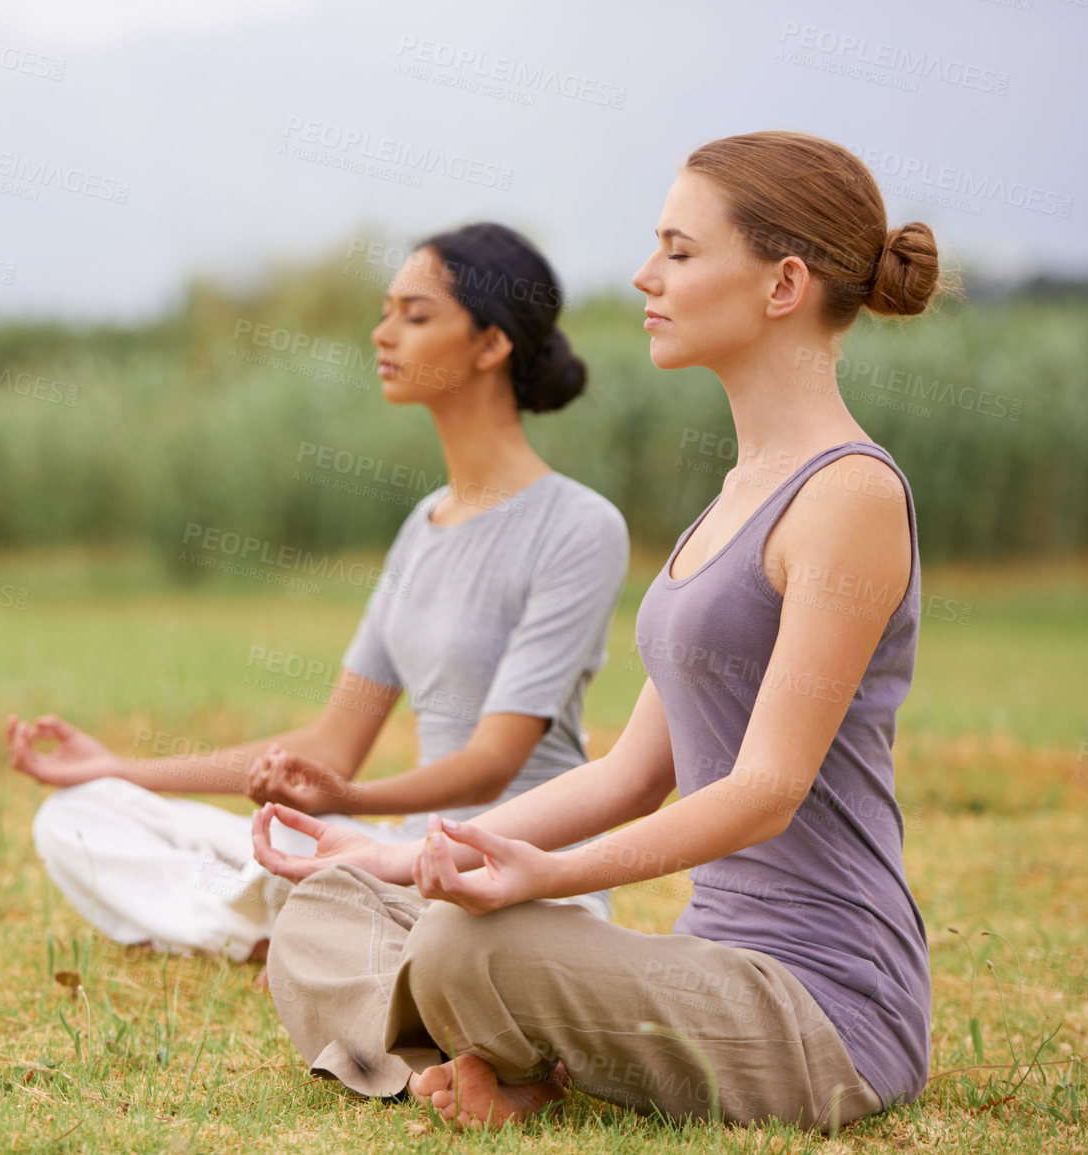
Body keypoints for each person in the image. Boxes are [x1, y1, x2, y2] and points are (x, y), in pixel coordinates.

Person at [251, 131, 939, 1135]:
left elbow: (762, 793)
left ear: (783, 283)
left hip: (823, 1012)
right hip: (708, 966)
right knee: (328, 908)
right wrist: (400, 855)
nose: (644, 275)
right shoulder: (735, 496)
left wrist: (549, 878)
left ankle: (473, 1050)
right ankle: (494, 1067)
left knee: (460, 948)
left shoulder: (849, 496)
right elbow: (630, 778)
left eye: (680, 250)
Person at [7, 222, 630, 964]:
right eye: (385, 310)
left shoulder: (579, 526)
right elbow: (331, 745)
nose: (382, 333)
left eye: (415, 314)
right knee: (79, 816)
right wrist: (113, 769)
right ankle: (300, 936)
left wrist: (350, 802)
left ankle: (315, 937)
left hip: (515, 872)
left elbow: (494, 760)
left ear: (491, 344)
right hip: (392, 853)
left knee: (408, 904)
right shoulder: (420, 527)